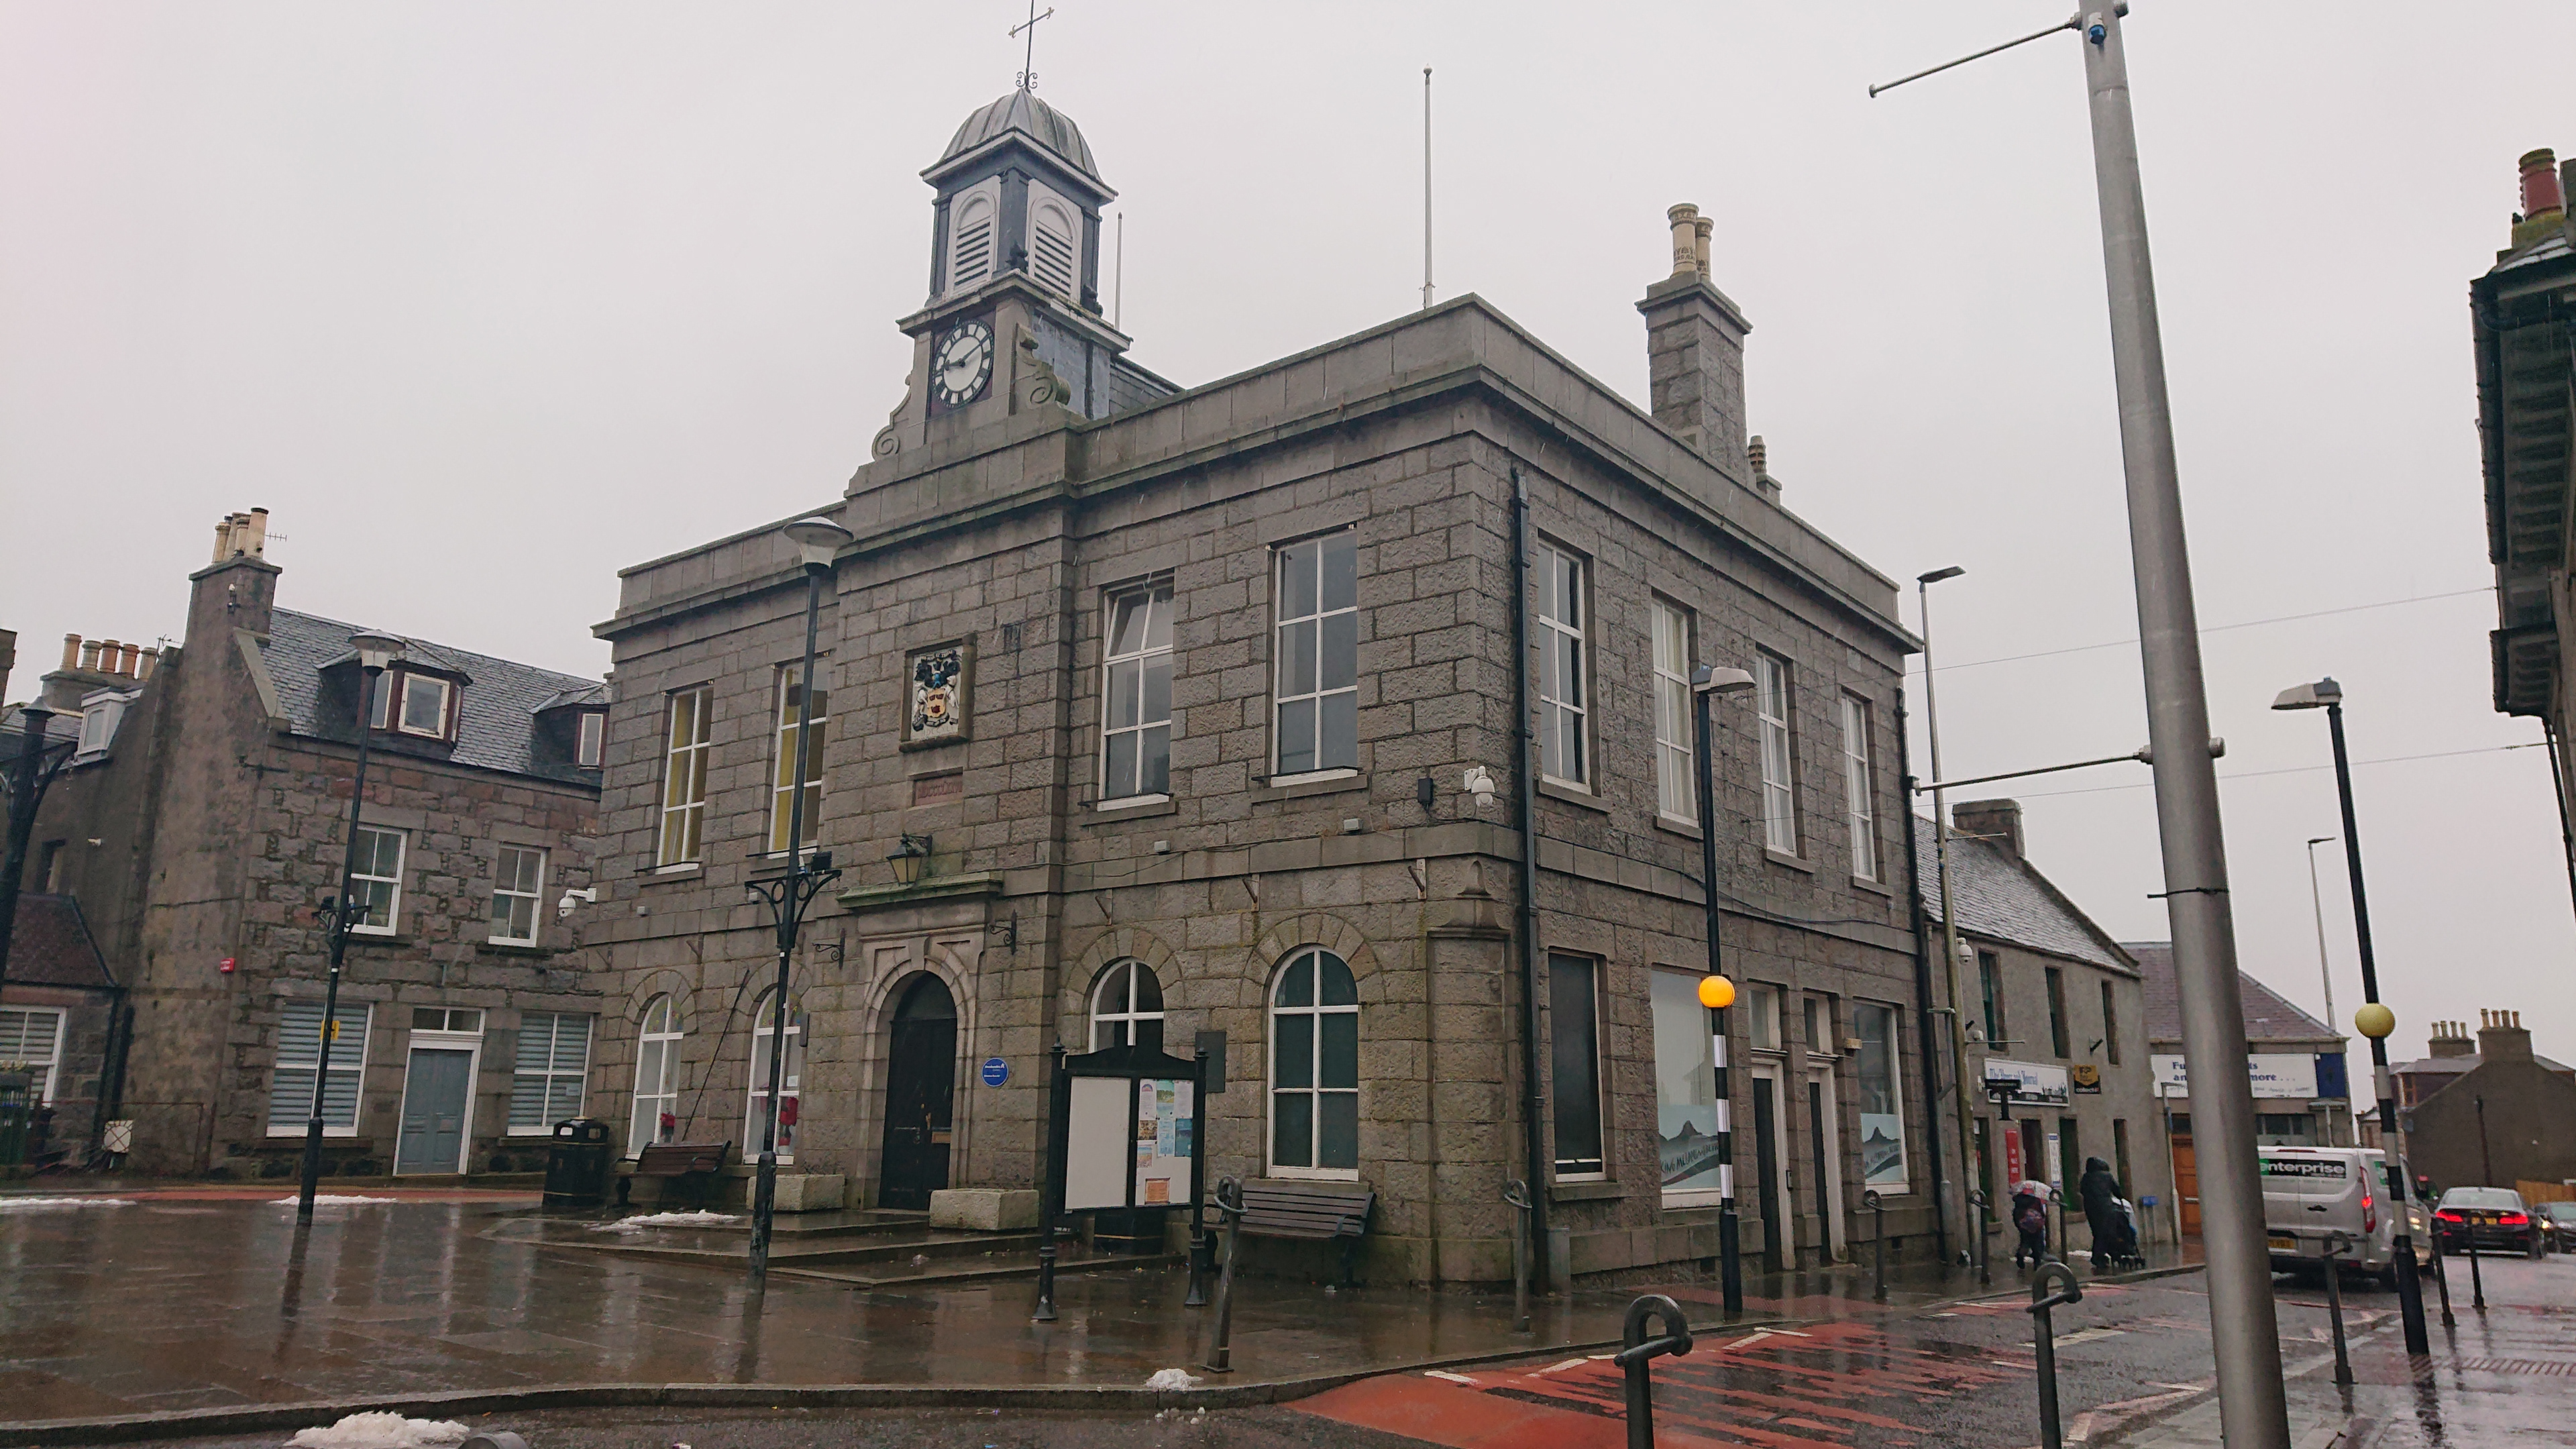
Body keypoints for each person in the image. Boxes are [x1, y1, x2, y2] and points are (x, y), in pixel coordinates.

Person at [2079, 1155, 2127, 1270]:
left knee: (2097, 1232)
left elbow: (2082, 1191)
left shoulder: (2086, 1177)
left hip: (2090, 1208)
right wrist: (2121, 1198)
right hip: (2105, 1208)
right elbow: (2117, 1190)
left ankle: (2102, 1255)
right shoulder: (2107, 1176)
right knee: (2106, 1232)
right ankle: (2100, 1256)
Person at [2012, 1179, 2052, 1268]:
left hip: (2022, 1225)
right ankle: (2037, 1262)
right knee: (2037, 1242)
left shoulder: (2018, 1200)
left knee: (2025, 1241)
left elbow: (2016, 1214)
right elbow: (2041, 1213)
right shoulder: (2036, 1200)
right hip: (2035, 1226)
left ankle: (2021, 1254)